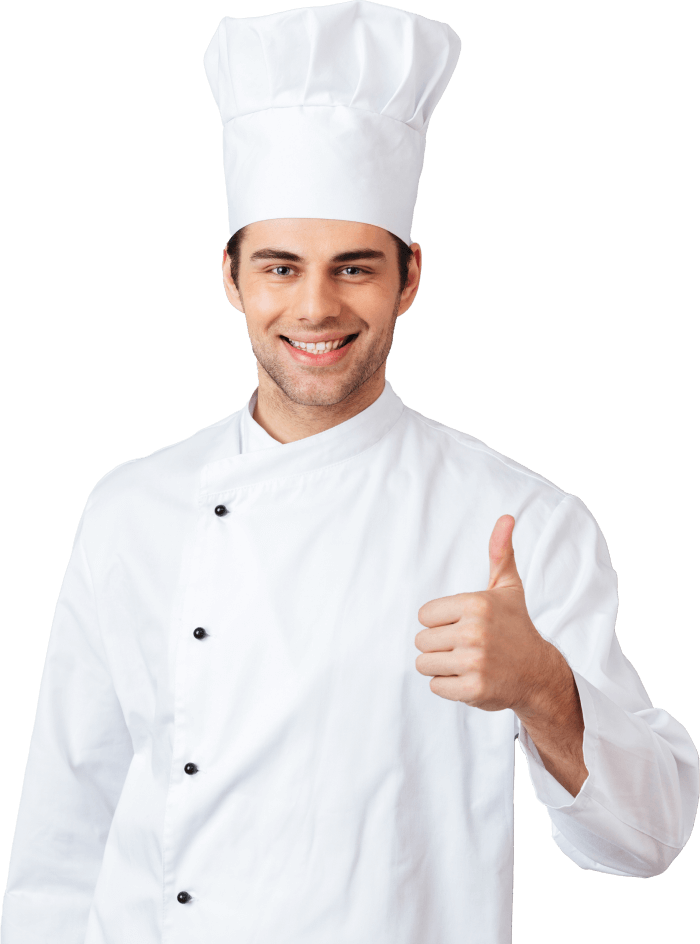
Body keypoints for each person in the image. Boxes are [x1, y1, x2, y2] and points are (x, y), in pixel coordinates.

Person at [2, 4, 698, 942]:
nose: (316, 308)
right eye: (282, 268)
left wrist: (544, 687)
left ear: (410, 279)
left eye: (355, 269)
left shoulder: (520, 520)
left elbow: (649, 838)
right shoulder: (133, 506)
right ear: (232, 278)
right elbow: (64, 824)